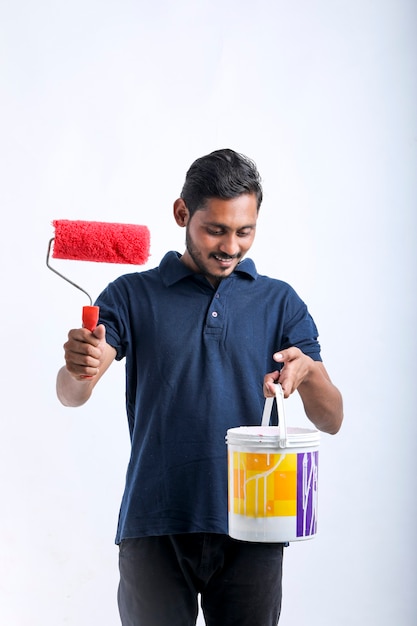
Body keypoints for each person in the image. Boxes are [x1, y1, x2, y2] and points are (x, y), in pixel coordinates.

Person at [56, 148, 343, 626]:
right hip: (155, 524)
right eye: (216, 229)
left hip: (256, 524)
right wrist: (80, 366)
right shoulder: (131, 295)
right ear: (181, 214)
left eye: (244, 231)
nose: (231, 246)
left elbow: (331, 419)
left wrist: (308, 373)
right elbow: (73, 392)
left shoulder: (279, 301)